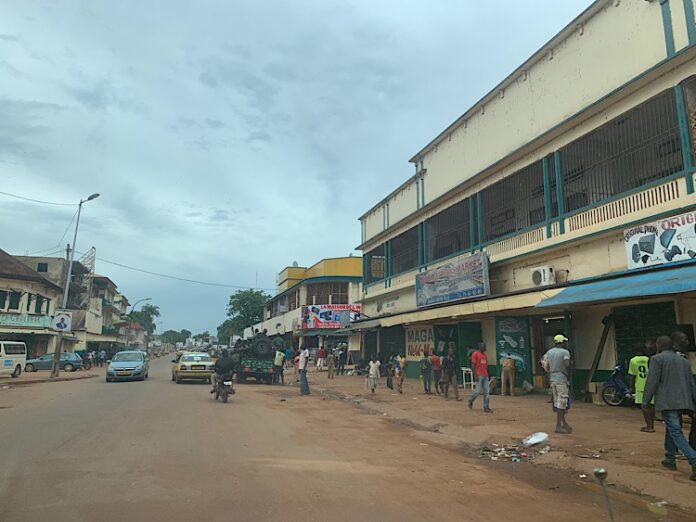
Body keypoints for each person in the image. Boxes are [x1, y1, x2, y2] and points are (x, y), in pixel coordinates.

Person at [642, 335, 696, 480]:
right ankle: (670, 458)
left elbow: (652, 381)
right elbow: (691, 383)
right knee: (671, 428)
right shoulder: (684, 361)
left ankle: (693, 459)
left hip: (668, 401)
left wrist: (645, 401)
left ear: (658, 345)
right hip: (683, 401)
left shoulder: (656, 359)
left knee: (675, 430)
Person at [541, 335, 572, 434]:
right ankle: (558, 426)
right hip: (561, 378)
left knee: (558, 402)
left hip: (552, 379)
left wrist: (549, 369)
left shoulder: (549, 352)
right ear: (562, 342)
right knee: (562, 402)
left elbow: (542, 361)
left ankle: (564, 423)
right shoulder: (565, 352)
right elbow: (567, 364)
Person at [628, 342, 655, 432]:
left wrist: (631, 388)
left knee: (644, 406)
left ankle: (649, 426)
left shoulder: (633, 360)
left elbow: (632, 375)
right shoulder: (649, 359)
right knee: (651, 406)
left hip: (640, 385)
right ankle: (651, 424)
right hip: (650, 385)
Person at [468, 343, 492, 412]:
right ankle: (470, 400)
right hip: (479, 375)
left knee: (486, 392)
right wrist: (475, 375)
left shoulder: (485, 356)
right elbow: (473, 365)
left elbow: (486, 366)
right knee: (477, 391)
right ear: (480, 347)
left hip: (485, 375)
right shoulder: (475, 354)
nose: (485, 348)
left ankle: (486, 407)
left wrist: (488, 374)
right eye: (484, 347)